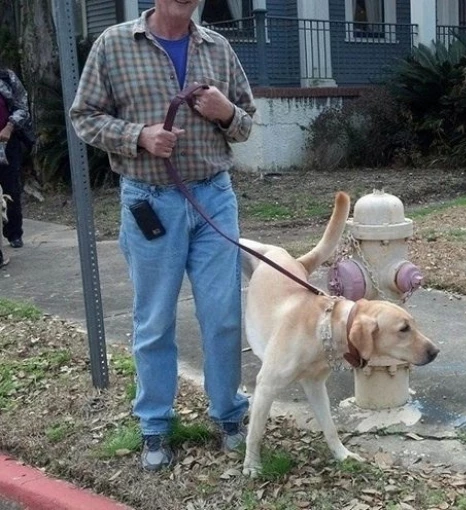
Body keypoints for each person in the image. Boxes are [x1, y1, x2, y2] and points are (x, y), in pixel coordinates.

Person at [70, 0, 256, 471]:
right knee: (154, 319)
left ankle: (229, 414)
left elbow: (247, 124)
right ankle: (155, 425)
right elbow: (84, 116)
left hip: (214, 196)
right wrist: (139, 136)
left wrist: (225, 110)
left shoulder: (217, 46)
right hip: (149, 200)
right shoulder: (114, 44)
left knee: (224, 314)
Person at [0, 64, 30, 253]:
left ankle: (14, 233)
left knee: (11, 189)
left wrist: (9, 128)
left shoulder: (6, 77)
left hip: (5, 143)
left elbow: (22, 107)